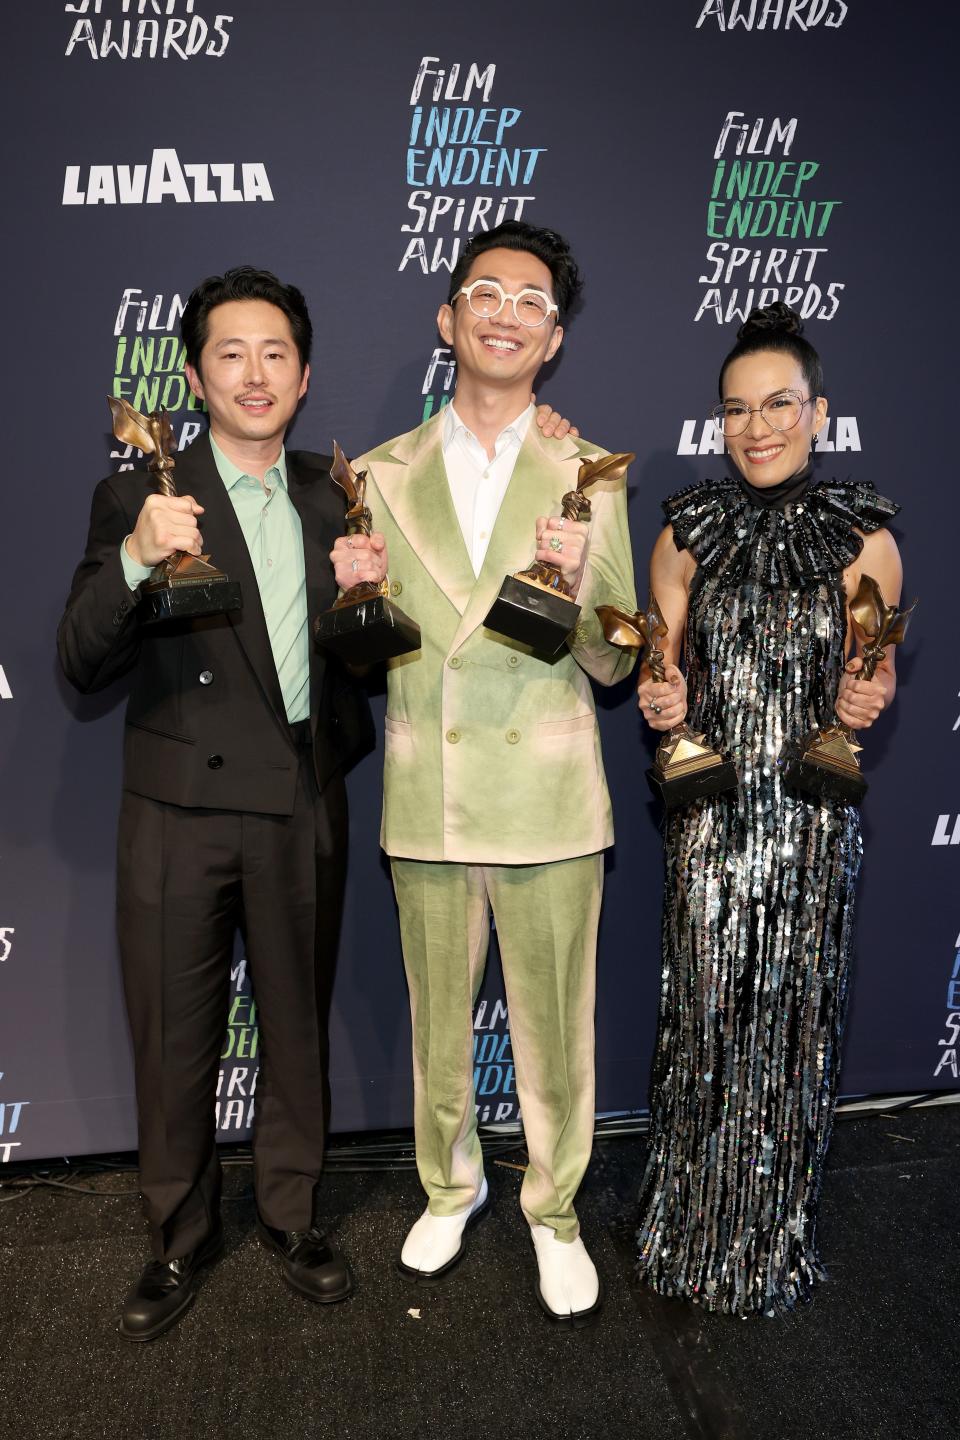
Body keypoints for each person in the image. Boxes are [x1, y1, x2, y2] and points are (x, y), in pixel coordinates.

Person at [57, 265, 575, 1342]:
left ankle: (292, 1220)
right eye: (232, 353)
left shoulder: (334, 490)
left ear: (304, 377)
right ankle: (176, 1237)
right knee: (173, 1039)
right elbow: (79, 659)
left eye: (276, 354)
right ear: (196, 373)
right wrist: (138, 561)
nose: (255, 372)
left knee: (296, 1033)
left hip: (301, 800)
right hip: (175, 812)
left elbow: (364, 662)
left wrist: (360, 603)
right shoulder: (138, 497)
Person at [332, 221, 637, 1324]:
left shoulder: (586, 471)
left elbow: (614, 658)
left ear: (552, 338)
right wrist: (351, 597)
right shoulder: (373, 476)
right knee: (436, 1025)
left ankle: (553, 1213)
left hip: (550, 803)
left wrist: (576, 581)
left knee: (559, 1025)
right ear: (449, 318)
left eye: (532, 301)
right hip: (432, 796)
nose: (507, 313)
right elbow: (364, 654)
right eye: (486, 293)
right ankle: (449, 1189)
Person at [634, 303, 903, 1316]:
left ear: (818, 412)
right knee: (704, 1016)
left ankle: (770, 1232)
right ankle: (687, 1228)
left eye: (779, 404)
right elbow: (662, 669)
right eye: (738, 409)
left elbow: (871, 676)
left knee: (791, 1024)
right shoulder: (684, 530)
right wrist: (662, 698)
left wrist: (869, 694)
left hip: (808, 819)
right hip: (710, 816)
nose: (758, 427)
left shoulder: (864, 538)